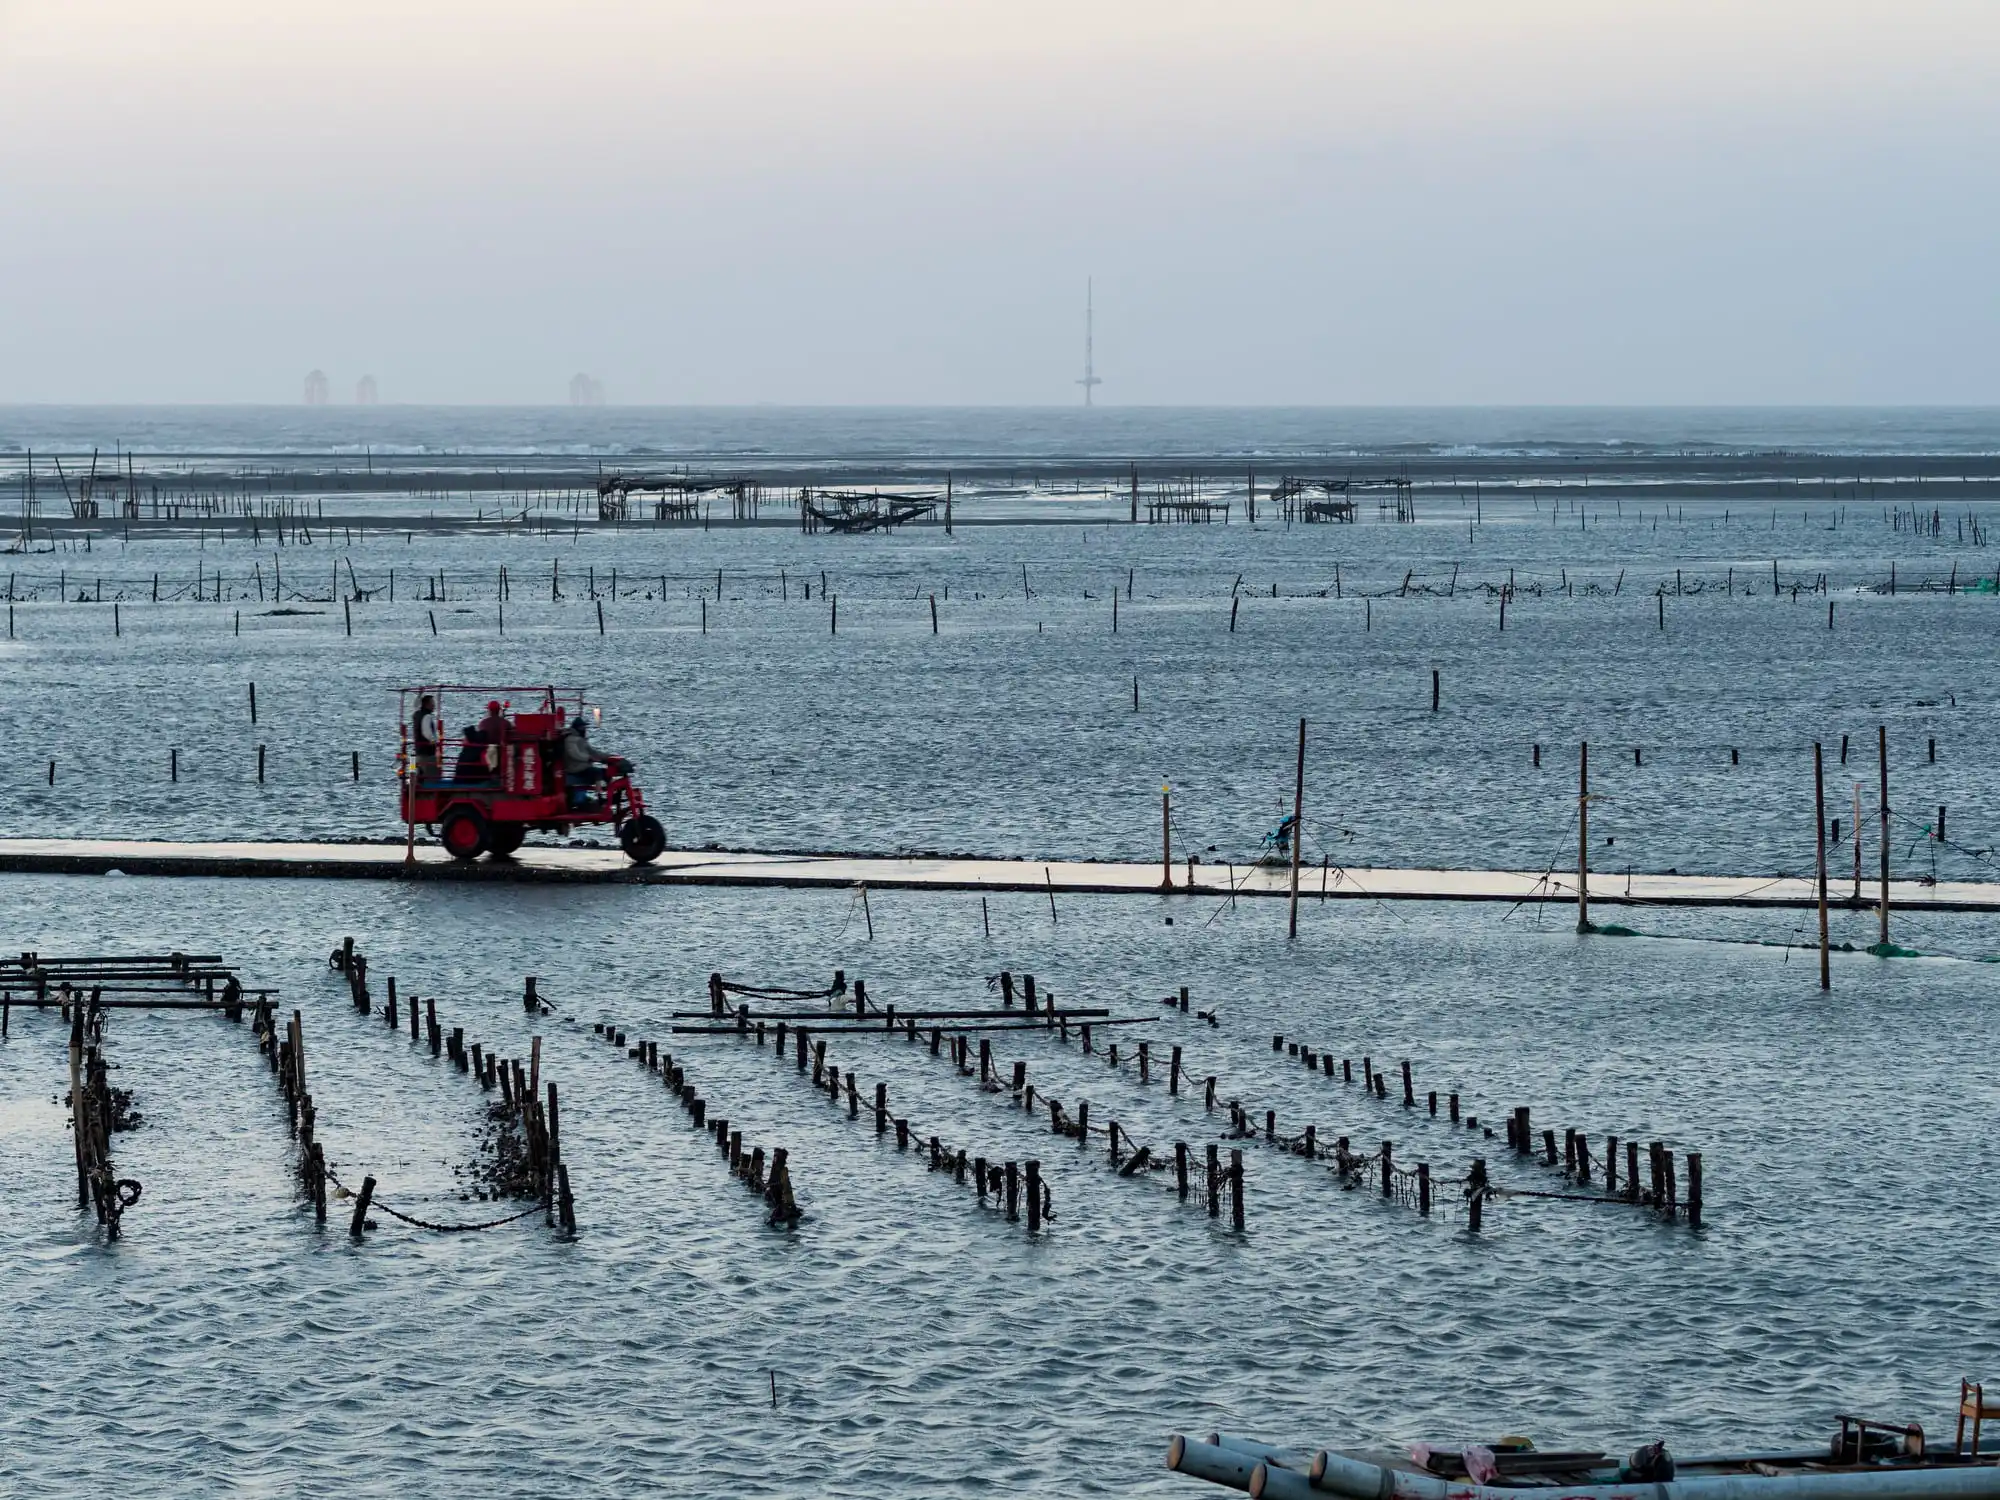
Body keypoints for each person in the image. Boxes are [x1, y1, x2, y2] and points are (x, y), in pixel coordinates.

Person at [561, 715, 613, 808]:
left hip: (584, 767)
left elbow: (594, 752)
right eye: (582, 727)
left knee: (606, 773)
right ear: (577, 727)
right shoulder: (570, 740)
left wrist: (609, 757)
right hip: (575, 768)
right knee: (596, 772)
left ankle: (610, 795)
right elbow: (574, 754)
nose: (584, 729)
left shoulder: (581, 740)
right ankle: (600, 796)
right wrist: (588, 758)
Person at [410, 694, 440, 784]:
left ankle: (415, 786)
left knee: (419, 773)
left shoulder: (417, 714)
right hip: (427, 753)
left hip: (419, 751)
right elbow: (426, 732)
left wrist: (419, 695)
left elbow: (415, 706)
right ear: (427, 704)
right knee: (430, 777)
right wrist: (434, 741)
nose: (434, 705)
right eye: (432, 703)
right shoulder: (427, 716)